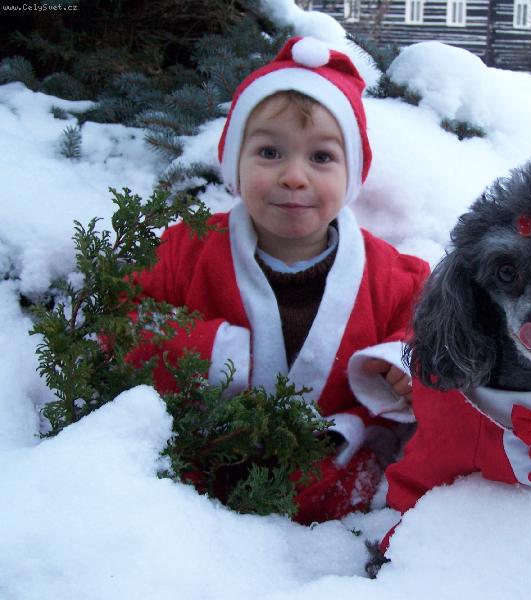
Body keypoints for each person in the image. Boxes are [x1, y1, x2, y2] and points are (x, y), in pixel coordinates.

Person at [129, 36, 430, 522]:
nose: (294, 176)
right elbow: (122, 318)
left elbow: (429, 326)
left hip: (338, 472)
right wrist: (211, 352)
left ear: (352, 174)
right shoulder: (185, 250)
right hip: (202, 470)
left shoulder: (392, 276)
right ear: (235, 164)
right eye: (269, 152)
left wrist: (404, 363)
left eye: (321, 157)